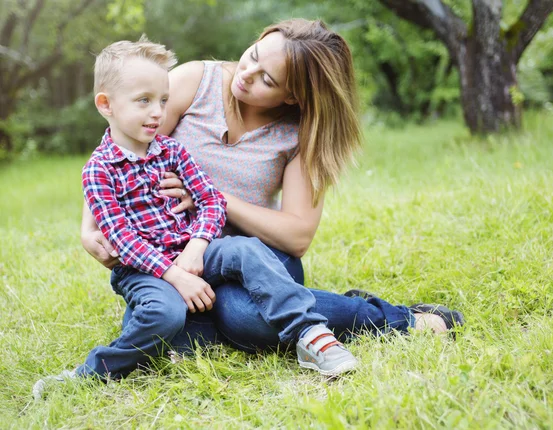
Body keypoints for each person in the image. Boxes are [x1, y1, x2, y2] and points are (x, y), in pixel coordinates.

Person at [80, 19, 464, 360]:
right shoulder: (196, 81)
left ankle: (398, 318)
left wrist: (212, 197)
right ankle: (312, 310)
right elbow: (118, 147)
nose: (246, 74)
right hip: (183, 252)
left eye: (267, 79)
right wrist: (89, 227)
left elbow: (296, 236)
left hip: (258, 256)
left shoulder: (301, 135)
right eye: (252, 56)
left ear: (293, 95)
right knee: (171, 327)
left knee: (244, 317)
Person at [33, 36, 358, 399]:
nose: (157, 112)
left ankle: (313, 334)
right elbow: (121, 236)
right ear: (106, 105)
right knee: (166, 318)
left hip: (204, 249)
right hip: (150, 266)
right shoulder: (101, 168)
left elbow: (212, 202)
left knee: (245, 262)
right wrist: (165, 269)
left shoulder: (172, 150)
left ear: (292, 96)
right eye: (250, 56)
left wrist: (196, 247)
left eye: (162, 102)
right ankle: (91, 372)